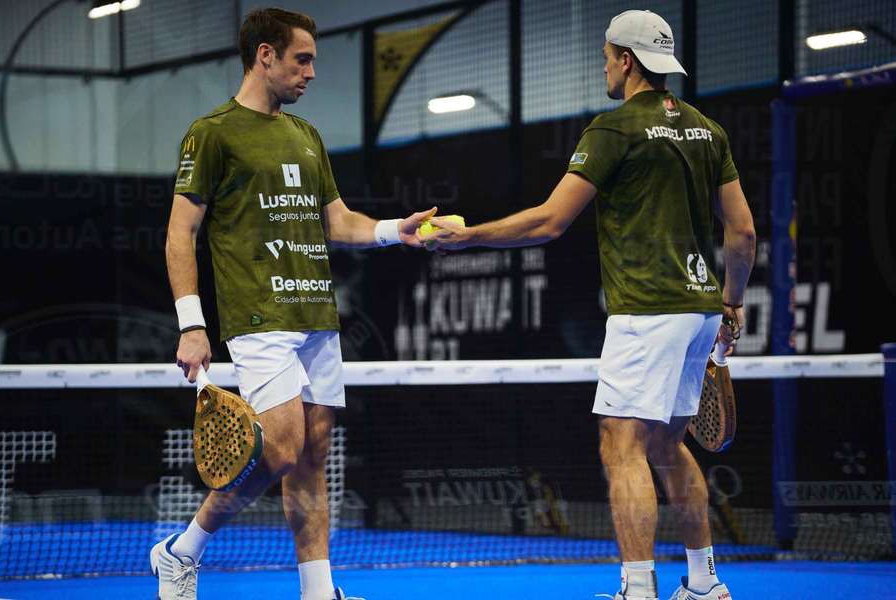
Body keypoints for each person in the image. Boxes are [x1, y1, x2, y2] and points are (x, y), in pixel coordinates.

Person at [423, 9, 755, 600]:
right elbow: (744, 234)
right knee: (666, 445)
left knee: (620, 443)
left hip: (647, 310)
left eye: (606, 57)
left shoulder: (613, 129)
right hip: (701, 308)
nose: (604, 67)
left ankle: (637, 589)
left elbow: (551, 221)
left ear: (626, 60)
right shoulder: (709, 130)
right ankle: (704, 585)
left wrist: (466, 235)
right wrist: (730, 303)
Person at [154, 8, 435, 600]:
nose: (310, 73)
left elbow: (339, 222)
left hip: (316, 316)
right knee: (279, 448)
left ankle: (318, 590)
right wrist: (191, 324)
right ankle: (182, 552)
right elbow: (181, 233)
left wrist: (392, 230)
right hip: (259, 317)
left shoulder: (306, 136)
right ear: (265, 55)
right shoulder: (212, 133)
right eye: (301, 59)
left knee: (312, 456)